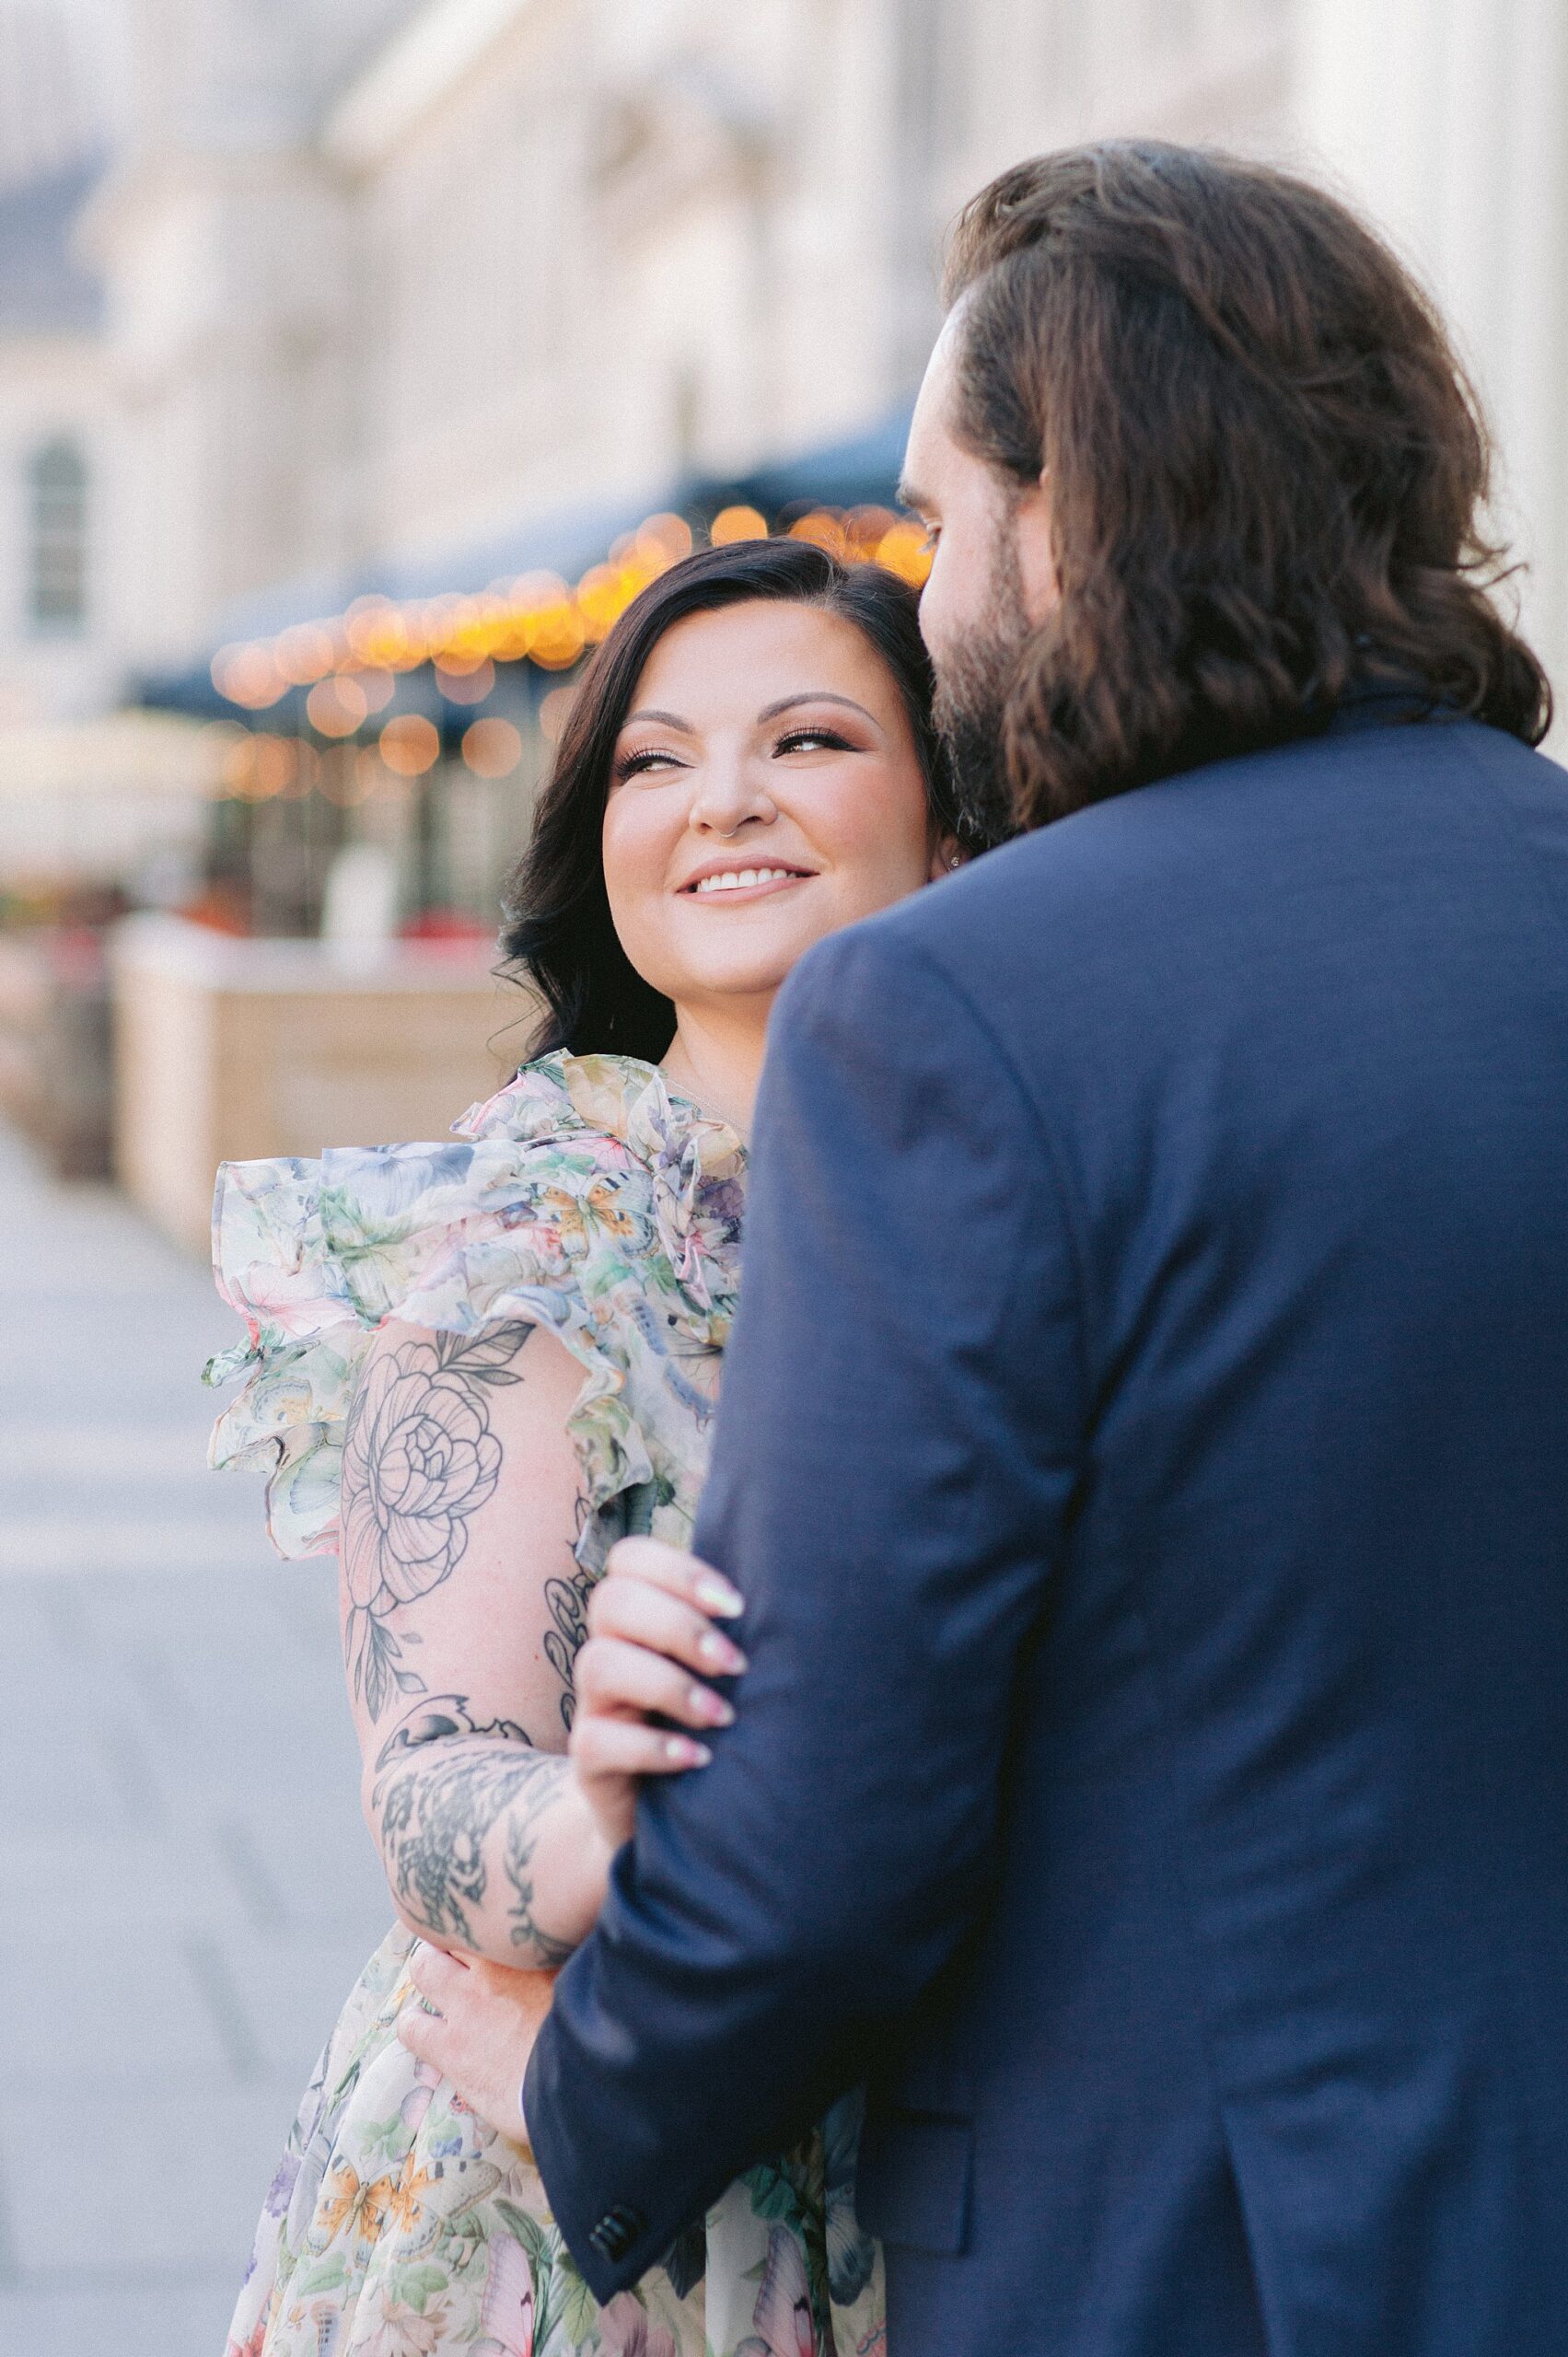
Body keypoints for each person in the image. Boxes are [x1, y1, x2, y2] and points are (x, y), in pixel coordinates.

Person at [404, 143, 1568, 2357]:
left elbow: (830, 1813)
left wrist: (592, 2090)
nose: (931, 599)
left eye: (947, 518)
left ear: (1082, 512)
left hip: (1188, 2250)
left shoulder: (960, 1007)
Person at [206, 536, 989, 2357]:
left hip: (959, 2178)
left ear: (949, 819)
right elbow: (428, 1779)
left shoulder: (1013, 1211)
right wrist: (594, 1825)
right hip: (569, 2204)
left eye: (804, 740)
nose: (722, 799)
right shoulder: (531, 1238)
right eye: (651, 759)